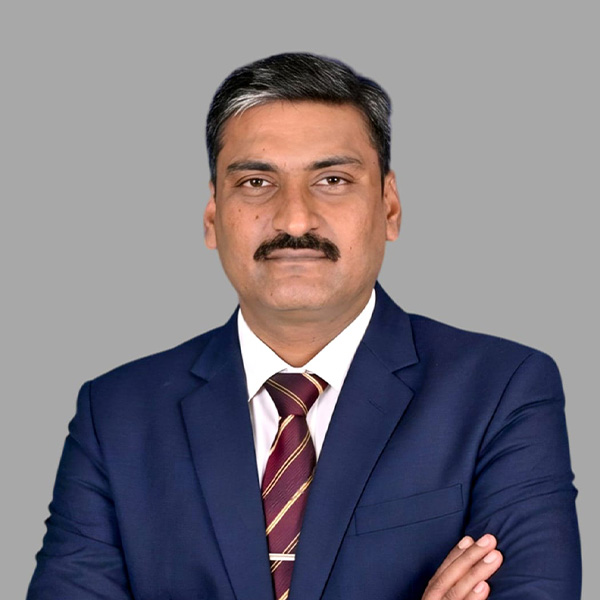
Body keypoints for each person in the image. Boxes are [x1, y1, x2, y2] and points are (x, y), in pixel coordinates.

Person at [27, 53, 581, 600]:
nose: (295, 219)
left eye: (333, 179)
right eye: (256, 182)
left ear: (389, 207)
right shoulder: (117, 413)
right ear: (213, 216)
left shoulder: (501, 391)